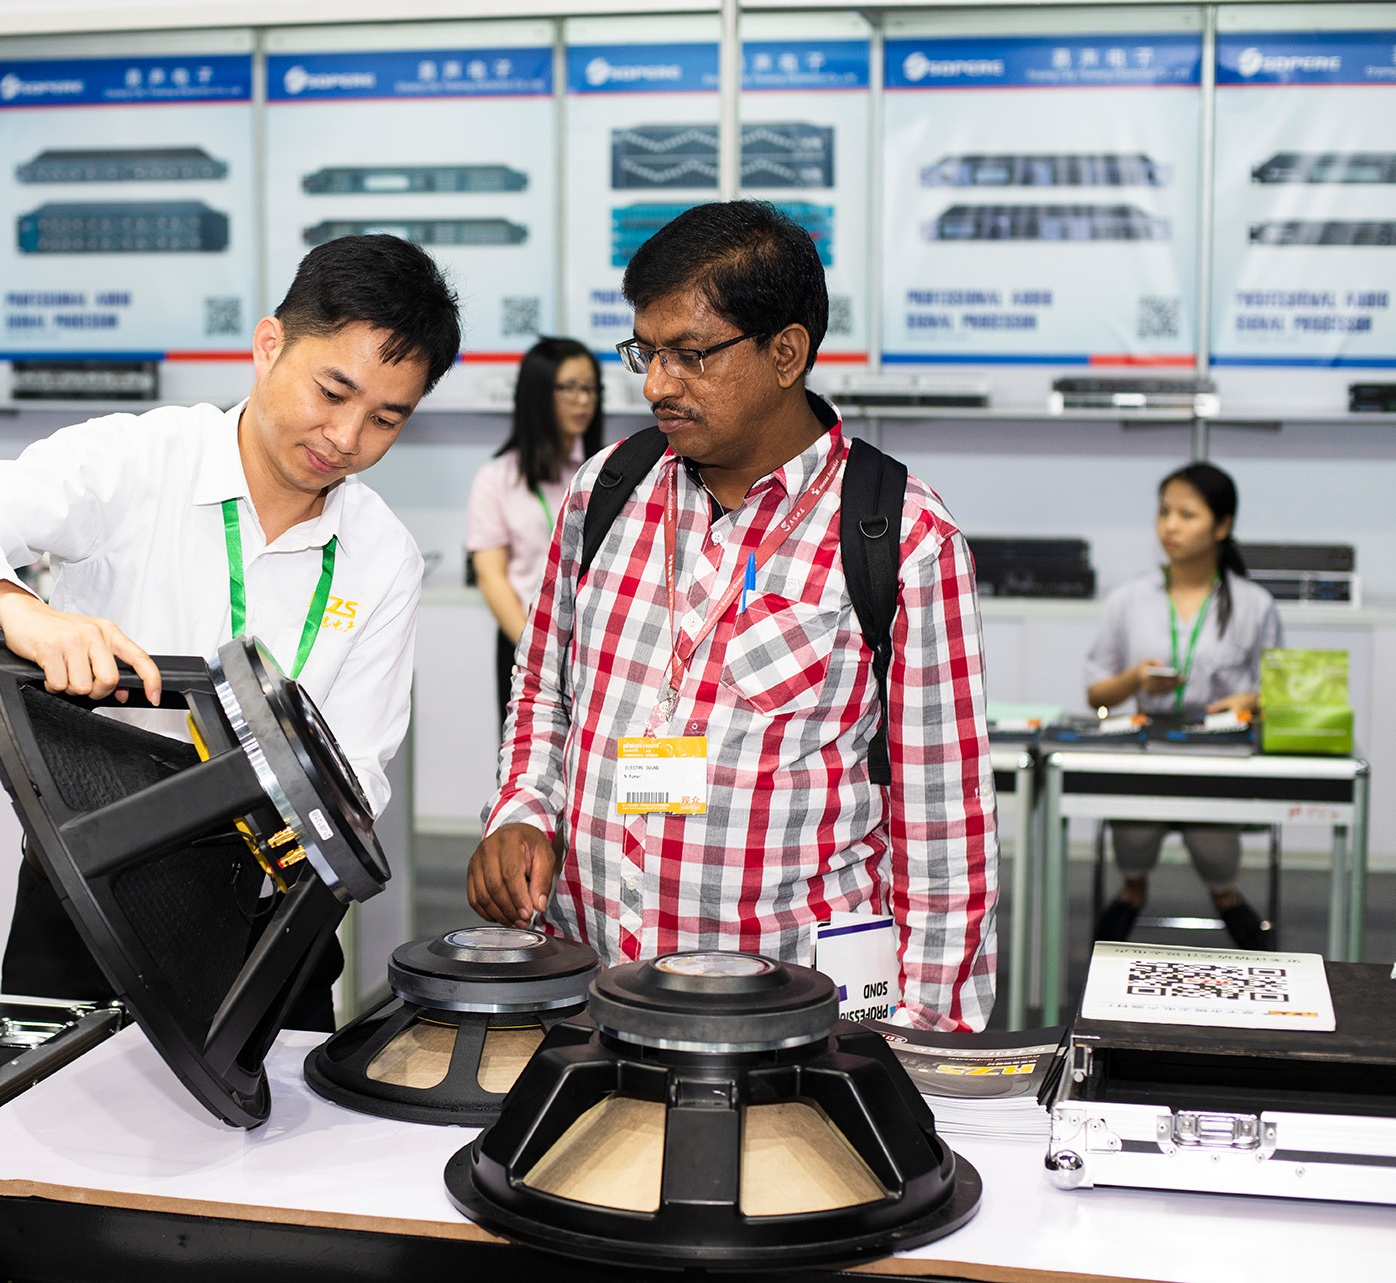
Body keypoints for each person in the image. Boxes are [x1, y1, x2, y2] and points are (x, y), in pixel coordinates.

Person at [0, 235, 462, 1029]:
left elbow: (357, 762)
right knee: (50, 1139)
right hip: (91, 901)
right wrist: (23, 610)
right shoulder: (138, 461)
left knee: (280, 1133)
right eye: (331, 391)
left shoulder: (381, 554)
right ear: (269, 346)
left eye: (384, 418)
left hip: (268, 923)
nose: (345, 436)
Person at [465, 201, 998, 1032]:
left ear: (785, 352)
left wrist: (923, 1047)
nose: (654, 385)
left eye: (689, 355)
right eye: (645, 351)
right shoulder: (605, 491)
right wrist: (523, 809)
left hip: (791, 1021)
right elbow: (543, 692)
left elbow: (945, 825)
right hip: (590, 991)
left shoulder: (902, 537)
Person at [1085, 462, 1283, 948]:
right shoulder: (1128, 599)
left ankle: (1226, 898)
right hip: (1144, 749)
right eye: (1164, 512)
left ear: (1223, 525)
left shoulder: (1255, 604)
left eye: (1187, 515)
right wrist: (1134, 680)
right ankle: (1133, 892)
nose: (1170, 526)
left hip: (1220, 755)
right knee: (1132, 836)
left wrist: (1251, 701)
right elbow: (1095, 695)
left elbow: (1282, 694)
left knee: (1211, 842)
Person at [466, 337, 606, 714]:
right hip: (523, 640)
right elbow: (491, 576)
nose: (584, 400)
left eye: (591, 388)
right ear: (539, 393)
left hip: (597, 646)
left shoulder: (607, 473)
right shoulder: (497, 478)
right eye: (570, 388)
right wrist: (538, 653)